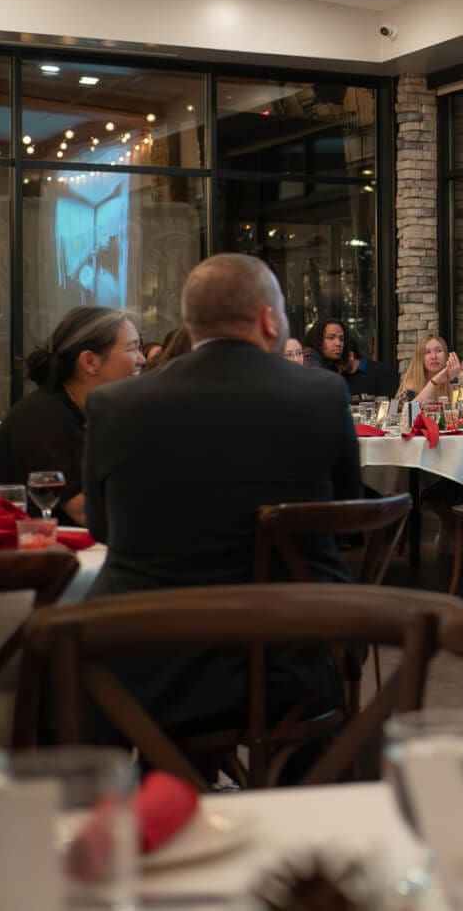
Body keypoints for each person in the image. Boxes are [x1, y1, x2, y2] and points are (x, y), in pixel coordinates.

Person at [83, 255, 359, 743]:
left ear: (190, 324)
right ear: (268, 319)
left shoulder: (114, 404)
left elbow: (105, 531)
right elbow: (342, 518)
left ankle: (161, 797)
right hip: (292, 662)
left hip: (149, 666)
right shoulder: (322, 394)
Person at [0, 307, 143, 526]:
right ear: (90, 362)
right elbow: (85, 511)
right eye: (132, 348)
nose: (141, 359)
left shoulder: (93, 414)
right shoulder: (42, 417)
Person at [306, 318, 395, 399]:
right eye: (331, 338)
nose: (338, 343)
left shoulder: (379, 371)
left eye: (341, 339)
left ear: (351, 354)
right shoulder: (313, 361)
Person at [394, 335, 463, 404]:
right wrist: (435, 380)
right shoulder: (412, 385)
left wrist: (455, 380)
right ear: (420, 359)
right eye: (427, 352)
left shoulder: (458, 376)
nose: (434, 356)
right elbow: (404, 412)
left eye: (438, 351)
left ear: (446, 355)